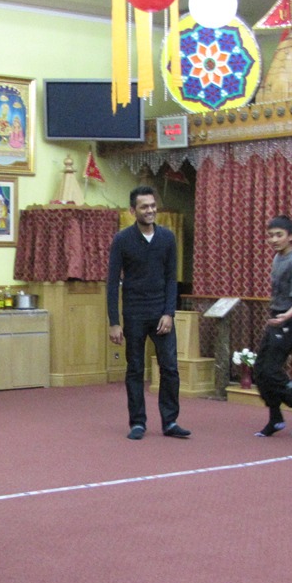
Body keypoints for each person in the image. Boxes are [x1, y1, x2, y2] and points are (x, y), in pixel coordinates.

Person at [107, 185, 189, 440]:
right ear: (133, 211)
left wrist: (169, 313)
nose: (150, 210)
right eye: (144, 207)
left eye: (153, 206)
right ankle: (138, 423)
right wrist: (114, 322)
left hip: (161, 313)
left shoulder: (167, 238)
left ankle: (170, 422)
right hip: (133, 314)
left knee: (170, 368)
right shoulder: (122, 240)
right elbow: (112, 283)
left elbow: (170, 279)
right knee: (135, 369)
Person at [253, 216, 292, 438]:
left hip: (291, 320)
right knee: (259, 370)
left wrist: (285, 316)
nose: (274, 239)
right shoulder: (277, 258)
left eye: (279, 235)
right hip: (276, 318)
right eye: (270, 235)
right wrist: (277, 316)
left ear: (291, 236)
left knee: (271, 370)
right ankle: (275, 417)